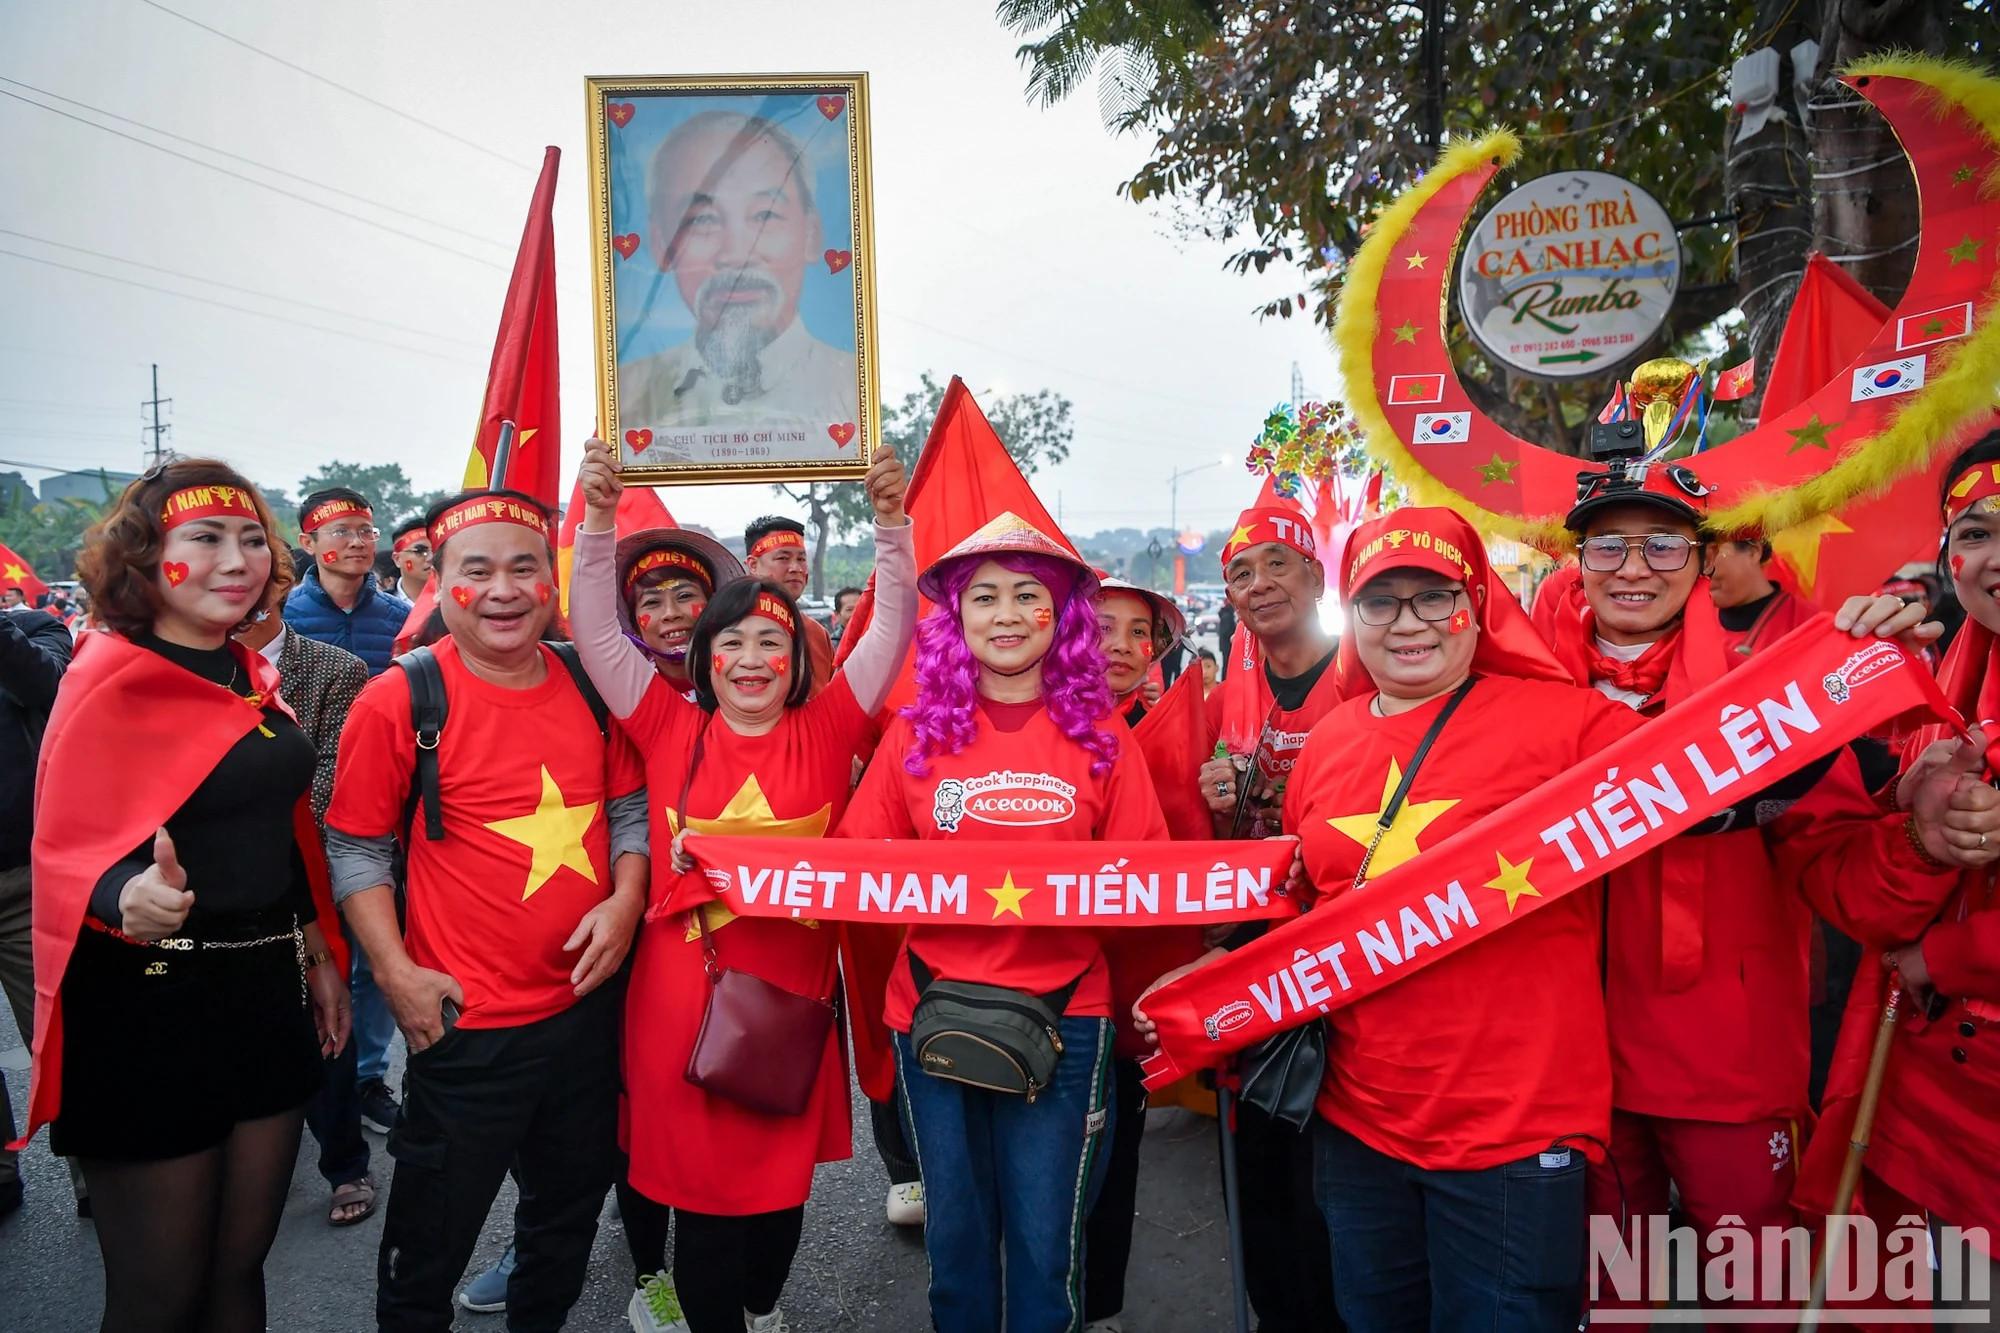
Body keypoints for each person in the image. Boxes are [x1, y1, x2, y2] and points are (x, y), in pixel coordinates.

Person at [1537, 457, 1963, 1316]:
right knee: (1619, 1296)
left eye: (1662, 545)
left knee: (1755, 1290)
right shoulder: (1520, 696)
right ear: (1574, 562)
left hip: (1724, 1067)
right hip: (1568, 1067)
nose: (1632, 568)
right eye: (1607, 546)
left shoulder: (1767, 700)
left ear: (1700, 559)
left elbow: (1846, 877)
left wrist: (1920, 836)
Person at [570, 436, 914, 1333]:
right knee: (704, 1206)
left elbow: (891, 627)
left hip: (794, 1004)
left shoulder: (833, 721)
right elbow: (598, 631)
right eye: (734, 642)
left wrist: (891, 523)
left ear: (799, 657)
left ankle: (757, 1310)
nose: (753, 658)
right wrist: (598, 518)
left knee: (777, 1200)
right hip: (680, 1002)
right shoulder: (662, 723)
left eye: (772, 640)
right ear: (705, 657)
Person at [21, 459, 350, 1330]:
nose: (235, 558)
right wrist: (123, 894)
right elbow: (62, 848)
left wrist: (317, 950)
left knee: (241, 1273)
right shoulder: (106, 676)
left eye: (251, 539)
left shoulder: (249, 676)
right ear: (143, 558)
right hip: (141, 1012)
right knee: (157, 1298)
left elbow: (277, 830)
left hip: (262, 993)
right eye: (204, 538)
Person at [324, 486, 649, 1333]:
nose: (503, 589)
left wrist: (625, 898)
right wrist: (395, 974)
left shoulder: (591, 683)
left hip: (587, 1018)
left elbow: (627, 810)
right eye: (478, 570)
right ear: (440, 580)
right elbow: (355, 846)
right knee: (425, 1255)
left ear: (552, 579)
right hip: (465, 1030)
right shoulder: (401, 697)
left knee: (564, 1223)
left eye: (524, 567)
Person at [837, 511, 1171, 1333]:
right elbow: (856, 863)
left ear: (1061, 618)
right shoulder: (914, 733)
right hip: (931, 1014)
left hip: (1069, 1022)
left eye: (1029, 595)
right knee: (955, 1246)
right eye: (984, 597)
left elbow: (1151, 876)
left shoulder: (1102, 738)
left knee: (1045, 1245)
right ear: (956, 619)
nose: (1008, 613)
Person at [1802, 430, 2000, 1307]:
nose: (1997, 556)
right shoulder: (1945, 683)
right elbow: (1864, 883)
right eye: (1978, 530)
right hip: (1938, 1093)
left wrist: (1939, 962)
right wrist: (1849, 675)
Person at [1194, 504, 1343, 1332]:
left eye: (1278, 565)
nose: (1260, 586)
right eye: (1243, 574)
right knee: (1259, 1172)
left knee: (1332, 1172)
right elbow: (1203, 832)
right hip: (1250, 961)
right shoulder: (1226, 694)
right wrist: (1213, 810)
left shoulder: (1367, 668)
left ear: (1317, 577)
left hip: (1347, 950)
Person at [235, 591, 378, 1229]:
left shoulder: (331, 668)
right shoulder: (178, 670)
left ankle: (345, 1163)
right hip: (204, 892)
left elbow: (332, 778)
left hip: (308, 872)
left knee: (328, 1017)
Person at [284, 486, 413, 1140]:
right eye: (342, 529)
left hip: (381, 810)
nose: (360, 540)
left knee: (372, 950)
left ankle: (364, 1075)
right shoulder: (281, 618)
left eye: (367, 528)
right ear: (309, 543)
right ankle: (312, 1078)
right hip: (298, 810)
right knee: (308, 951)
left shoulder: (400, 616)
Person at [1086, 576, 1194, 1333]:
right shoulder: (1027, 726)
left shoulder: (1180, 730)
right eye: (1102, 628)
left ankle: (1102, 1308)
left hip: (1128, 991)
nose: (1120, 646)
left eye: (1138, 633)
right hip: (1037, 989)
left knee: (1112, 1164)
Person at [618, 112, 857, 447]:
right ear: (661, 244)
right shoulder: (629, 397)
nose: (737, 254)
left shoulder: (851, 389)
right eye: (703, 220)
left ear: (811, 234)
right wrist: (602, 501)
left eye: (765, 215)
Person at [0, 592, 74, 1218]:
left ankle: (99, 1171)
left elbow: (45, 687)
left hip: (28, 878)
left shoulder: (35, 630)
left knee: (58, 1033)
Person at [613, 526, 745, 705]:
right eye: (652, 602)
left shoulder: (749, 681)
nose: (671, 613)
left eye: (685, 596)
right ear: (634, 624)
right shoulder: (621, 695)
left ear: (713, 607)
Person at [744, 516, 835, 690]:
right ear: (753, 565)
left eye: (801, 559)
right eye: (783, 558)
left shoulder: (817, 633)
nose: (796, 568)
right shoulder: (732, 626)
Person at [389, 519, 432, 604]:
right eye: (420, 551)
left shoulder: (451, 600)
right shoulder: (381, 606)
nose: (431, 557)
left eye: (436, 550)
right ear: (397, 559)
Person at [830, 585, 862, 649]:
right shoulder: (831, 646)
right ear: (837, 615)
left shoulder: (876, 638)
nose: (856, 613)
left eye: (860, 607)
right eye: (849, 609)